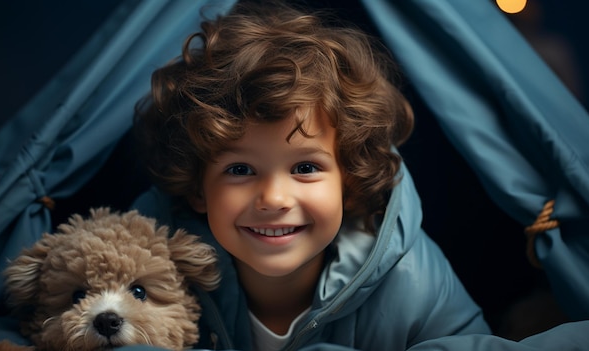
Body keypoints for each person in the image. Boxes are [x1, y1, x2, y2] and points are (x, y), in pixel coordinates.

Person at [131, 1, 490, 350]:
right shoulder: (147, 270)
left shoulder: (412, 279)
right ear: (198, 189)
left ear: (348, 180)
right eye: (240, 170)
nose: (274, 198)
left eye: (305, 168)